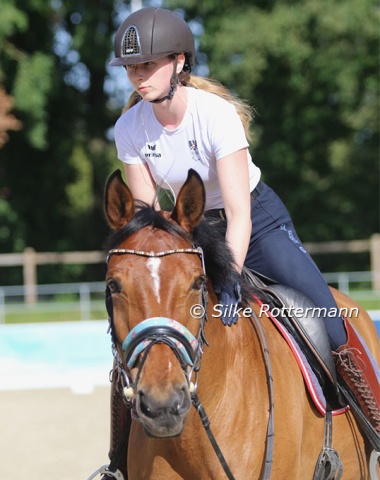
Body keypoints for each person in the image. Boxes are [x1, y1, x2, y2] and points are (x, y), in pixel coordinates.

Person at [109, 7, 379, 433]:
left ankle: (374, 422)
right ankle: (120, 458)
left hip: (257, 224)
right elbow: (149, 220)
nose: (137, 76)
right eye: (130, 68)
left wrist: (231, 276)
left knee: (328, 316)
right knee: (138, 337)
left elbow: (239, 213)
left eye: (147, 64)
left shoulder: (215, 115)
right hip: (190, 230)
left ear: (179, 62)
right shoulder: (128, 128)